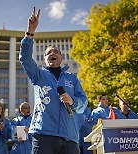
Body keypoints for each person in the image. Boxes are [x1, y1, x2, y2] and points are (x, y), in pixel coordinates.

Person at [19, 7, 88, 154]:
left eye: (56, 51)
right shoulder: (38, 74)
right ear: (45, 59)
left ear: (61, 58)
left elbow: (83, 103)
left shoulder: (72, 78)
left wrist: (73, 101)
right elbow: (25, 59)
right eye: (48, 53)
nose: (52, 53)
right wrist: (30, 32)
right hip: (44, 136)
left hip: (70, 138)